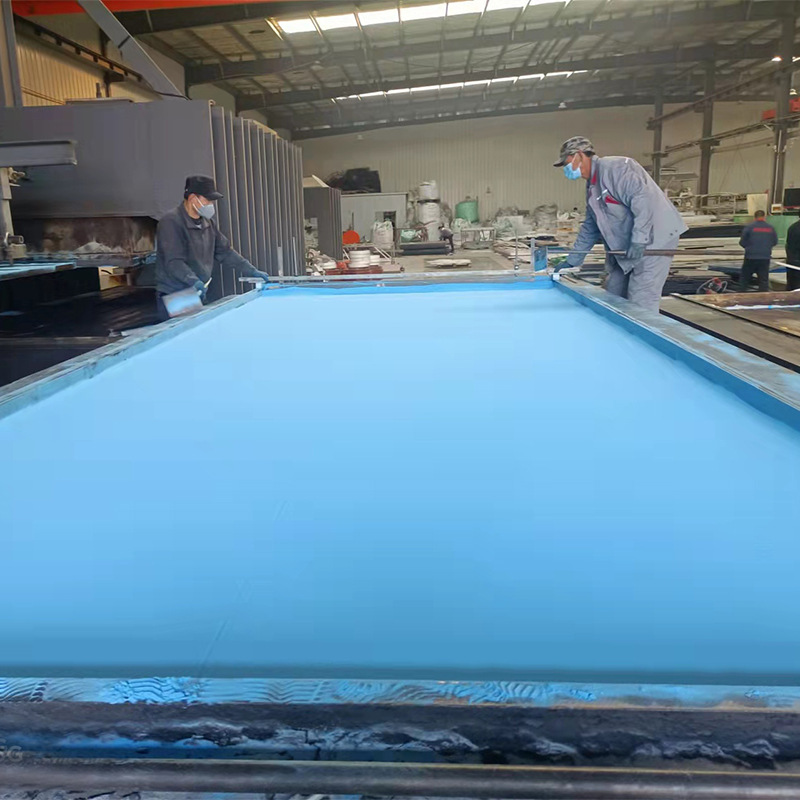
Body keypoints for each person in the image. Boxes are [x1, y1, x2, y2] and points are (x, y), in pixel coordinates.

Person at [554, 136, 687, 312]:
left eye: (567, 163)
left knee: (640, 300)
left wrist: (639, 239)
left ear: (579, 155)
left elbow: (643, 202)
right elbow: (590, 227)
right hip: (625, 245)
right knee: (613, 296)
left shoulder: (617, 168)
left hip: (653, 240)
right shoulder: (592, 186)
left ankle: (641, 326)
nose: (566, 169)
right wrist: (572, 261)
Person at [155, 175, 270, 320]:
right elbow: (174, 262)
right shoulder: (171, 222)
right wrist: (193, 281)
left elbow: (225, 252)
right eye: (208, 200)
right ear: (193, 198)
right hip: (176, 294)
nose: (211, 205)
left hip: (196, 291)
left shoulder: (207, 224)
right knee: (181, 330)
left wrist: (251, 270)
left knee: (197, 328)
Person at [738, 210, 777, 293]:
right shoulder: (770, 228)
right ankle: (763, 297)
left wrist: (749, 248)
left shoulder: (749, 227)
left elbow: (742, 242)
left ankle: (741, 296)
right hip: (765, 257)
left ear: (754, 217)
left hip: (750, 257)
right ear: (764, 217)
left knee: (745, 279)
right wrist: (765, 248)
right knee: (763, 280)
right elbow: (774, 242)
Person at [783, 211, 800, 291]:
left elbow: (788, 245)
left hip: (792, 262)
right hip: (797, 262)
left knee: (792, 287)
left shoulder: (792, 227)